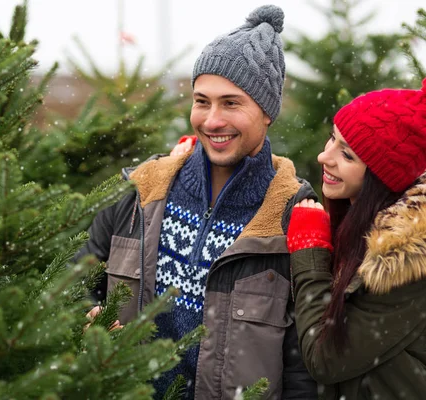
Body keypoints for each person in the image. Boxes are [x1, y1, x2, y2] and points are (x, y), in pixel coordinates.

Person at [74, 4, 318, 399]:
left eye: (232, 103)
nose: (212, 120)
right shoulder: (138, 193)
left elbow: (303, 369)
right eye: (202, 101)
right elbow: (74, 282)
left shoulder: (293, 216)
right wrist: (83, 320)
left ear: (268, 112)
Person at [285, 69, 426, 399]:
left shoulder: (409, 265)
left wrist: (310, 251)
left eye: (346, 154)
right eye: (332, 138)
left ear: (381, 178)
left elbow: (324, 359)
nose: (324, 156)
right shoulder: (361, 223)